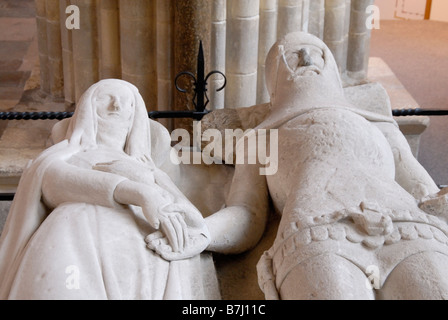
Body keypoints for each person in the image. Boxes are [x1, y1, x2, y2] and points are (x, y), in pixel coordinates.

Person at [203, 32, 448, 300]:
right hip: (316, 233)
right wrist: (203, 231)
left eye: (316, 52)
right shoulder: (260, 138)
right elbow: (248, 213)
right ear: (274, 80)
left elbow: (423, 191)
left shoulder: (376, 123)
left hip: (407, 226)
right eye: (292, 57)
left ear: (330, 64)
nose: (307, 59)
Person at [0, 79, 216, 300]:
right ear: (88, 106)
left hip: (141, 257)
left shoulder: (149, 170)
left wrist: (196, 233)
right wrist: (138, 192)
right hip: (72, 241)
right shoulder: (64, 155)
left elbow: (190, 217)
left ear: (135, 117)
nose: (116, 106)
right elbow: (53, 181)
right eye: (107, 97)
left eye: (127, 102)